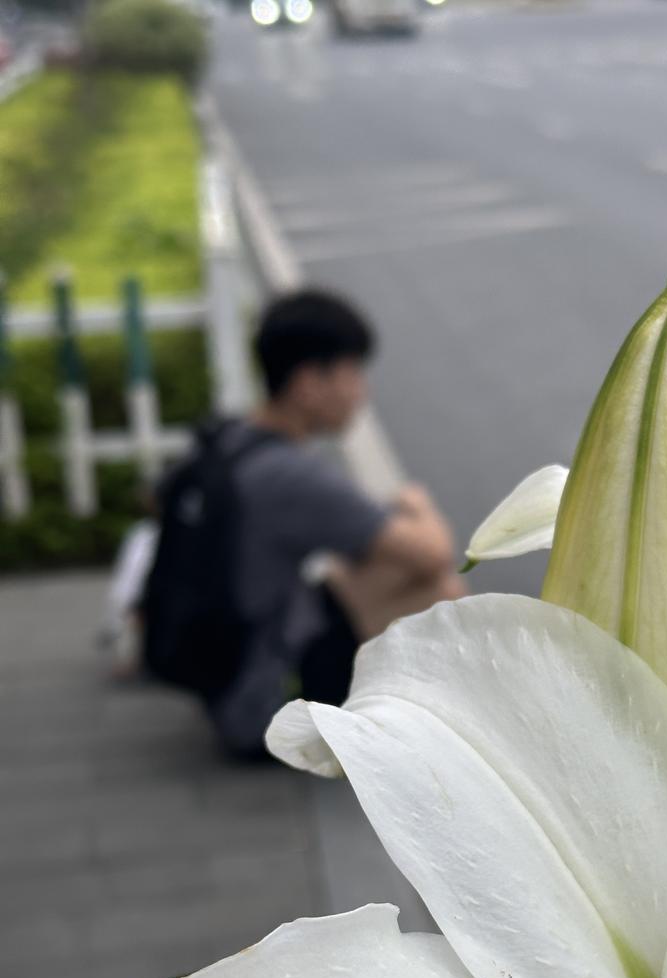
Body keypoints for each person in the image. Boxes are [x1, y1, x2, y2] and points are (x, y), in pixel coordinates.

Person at [145, 288, 464, 757]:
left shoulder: (231, 439)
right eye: (352, 372)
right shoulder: (290, 476)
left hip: (224, 671)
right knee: (439, 589)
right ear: (309, 383)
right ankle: (442, 738)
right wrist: (417, 501)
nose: (361, 391)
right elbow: (432, 552)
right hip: (264, 707)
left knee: (360, 570)